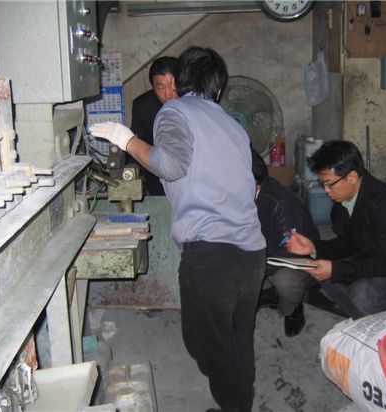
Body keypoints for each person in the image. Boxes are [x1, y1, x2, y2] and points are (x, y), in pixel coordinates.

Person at [90, 46, 266, 412]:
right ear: (219, 88)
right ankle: (240, 401)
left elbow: (169, 164)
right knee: (238, 338)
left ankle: (235, 406)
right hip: (252, 253)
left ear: (181, 81)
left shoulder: (174, 111)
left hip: (210, 255)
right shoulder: (232, 125)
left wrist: (126, 139)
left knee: (206, 346)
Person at [285, 140, 386, 319]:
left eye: (330, 184)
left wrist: (336, 269)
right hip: (374, 260)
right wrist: (314, 248)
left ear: (352, 177)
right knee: (323, 270)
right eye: (323, 184)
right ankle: (362, 320)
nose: (326, 191)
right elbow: (347, 243)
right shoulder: (343, 201)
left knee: (363, 293)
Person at [251, 148, 320, 337]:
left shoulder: (281, 204)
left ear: (254, 181)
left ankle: (293, 310)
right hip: (268, 253)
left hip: (298, 260)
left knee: (286, 281)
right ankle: (270, 293)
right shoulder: (245, 195)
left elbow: (293, 252)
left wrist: (258, 264)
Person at [130, 56, 178, 195]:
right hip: (156, 177)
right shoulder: (143, 107)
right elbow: (137, 147)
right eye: (161, 87)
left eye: (173, 86)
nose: (168, 94)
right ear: (153, 87)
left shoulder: (193, 103)